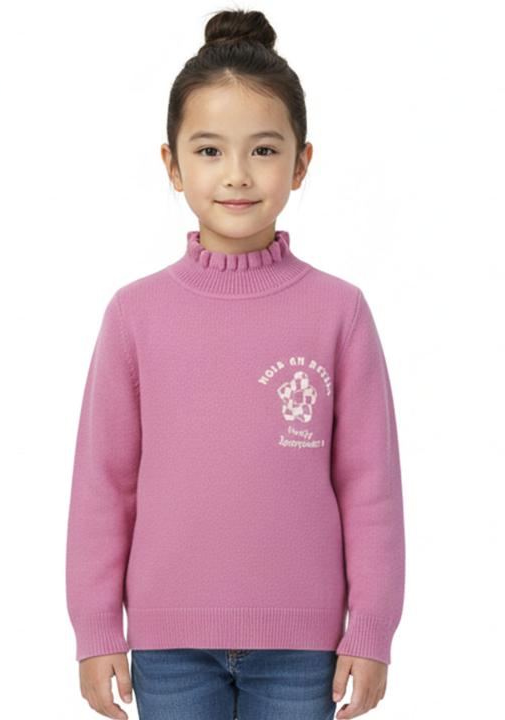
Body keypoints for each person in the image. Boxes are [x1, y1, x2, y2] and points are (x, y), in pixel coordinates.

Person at [65, 8, 406, 720]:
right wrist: (96, 630)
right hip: (167, 646)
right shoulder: (134, 314)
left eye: (265, 149)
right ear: (173, 164)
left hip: (306, 650)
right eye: (210, 150)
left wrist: (372, 631)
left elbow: (370, 488)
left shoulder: (339, 312)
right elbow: (104, 485)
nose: (238, 175)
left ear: (301, 162)